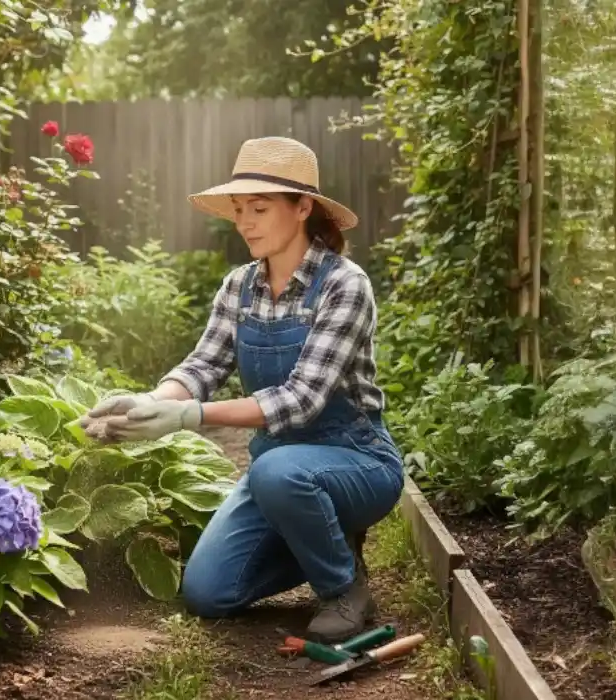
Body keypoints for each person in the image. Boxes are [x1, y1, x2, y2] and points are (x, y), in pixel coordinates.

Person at [81, 136, 403, 643]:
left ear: (303, 208)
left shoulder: (345, 284)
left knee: (277, 470)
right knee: (208, 593)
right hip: (283, 470)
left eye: (258, 208)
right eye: (238, 209)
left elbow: (301, 400)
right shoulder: (238, 286)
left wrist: (189, 419)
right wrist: (149, 402)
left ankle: (344, 587)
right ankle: (323, 538)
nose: (244, 222)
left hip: (356, 461)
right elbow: (203, 366)